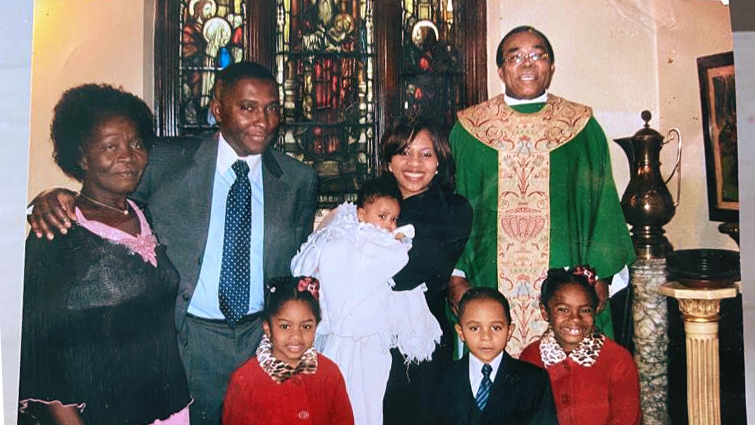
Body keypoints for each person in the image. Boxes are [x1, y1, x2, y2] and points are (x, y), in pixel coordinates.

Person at [27, 62, 318, 425]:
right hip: (184, 344)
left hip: (260, 341)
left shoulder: (299, 181)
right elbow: (106, 186)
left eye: (273, 107)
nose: (263, 119)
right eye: (247, 107)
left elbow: (297, 269)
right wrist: (53, 196)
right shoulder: (165, 161)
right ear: (218, 110)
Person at [448, 25, 636, 356]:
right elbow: (452, 207)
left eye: (538, 55)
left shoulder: (580, 126)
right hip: (487, 276)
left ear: (550, 68)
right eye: (515, 56)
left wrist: (602, 273)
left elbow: (601, 205)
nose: (527, 64)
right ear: (501, 69)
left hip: (566, 280)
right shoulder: (469, 130)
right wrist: (455, 274)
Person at [18, 84, 191, 425]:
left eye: (136, 144)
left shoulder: (145, 214)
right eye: (110, 146)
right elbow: (40, 349)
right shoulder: (56, 234)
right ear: (81, 156)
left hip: (166, 405)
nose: (127, 156)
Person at [291, 176, 441, 425]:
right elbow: (334, 271)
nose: (389, 226)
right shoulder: (345, 240)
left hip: (372, 339)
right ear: (361, 215)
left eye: (393, 219)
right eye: (381, 217)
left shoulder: (390, 243)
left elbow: (396, 258)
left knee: (368, 403)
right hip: (343, 334)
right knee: (336, 398)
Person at [380, 119, 473, 425]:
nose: (414, 164)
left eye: (426, 154)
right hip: (371, 339)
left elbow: (405, 275)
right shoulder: (373, 206)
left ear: (439, 163)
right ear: (388, 161)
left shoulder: (453, 209)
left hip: (423, 349)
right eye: (404, 153)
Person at [222, 276, 354, 425]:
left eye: (306, 327)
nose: (296, 336)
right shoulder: (245, 380)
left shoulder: (329, 374)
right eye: (285, 326)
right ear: (268, 328)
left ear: (316, 326)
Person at [520, 267, 641, 425]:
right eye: (563, 310)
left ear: (596, 310)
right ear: (545, 312)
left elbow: (627, 419)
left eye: (585, 310)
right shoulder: (531, 357)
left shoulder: (618, 359)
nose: (575, 319)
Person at [433, 287, 558, 425]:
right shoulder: (442, 378)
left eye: (496, 327)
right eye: (474, 328)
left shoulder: (534, 380)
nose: (486, 337)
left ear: (509, 331)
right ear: (461, 332)